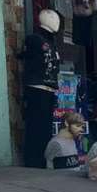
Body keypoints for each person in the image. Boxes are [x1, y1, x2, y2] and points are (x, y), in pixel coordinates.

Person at [18, 9, 61, 167]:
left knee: (45, 126)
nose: (56, 22)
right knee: (35, 124)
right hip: (36, 87)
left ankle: (41, 159)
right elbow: (25, 55)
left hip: (49, 88)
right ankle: (33, 159)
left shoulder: (52, 42)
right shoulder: (34, 39)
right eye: (53, 19)